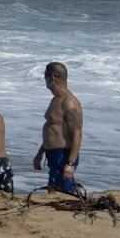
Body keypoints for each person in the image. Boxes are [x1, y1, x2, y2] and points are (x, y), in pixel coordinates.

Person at [33, 61, 84, 196]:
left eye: (45, 77)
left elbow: (77, 134)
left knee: (62, 193)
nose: (45, 81)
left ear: (52, 78)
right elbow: (53, 129)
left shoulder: (69, 102)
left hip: (63, 155)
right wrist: (40, 153)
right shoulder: (56, 99)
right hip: (54, 154)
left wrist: (71, 163)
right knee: (55, 190)